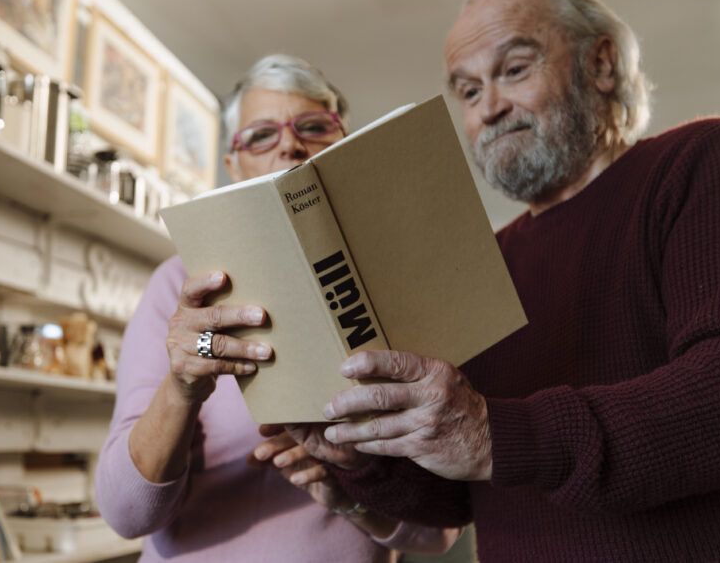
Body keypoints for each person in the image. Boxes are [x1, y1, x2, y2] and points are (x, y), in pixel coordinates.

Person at [266, 0, 720, 562]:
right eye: (468, 92)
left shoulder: (710, 160)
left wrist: (497, 434)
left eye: (515, 70)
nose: (490, 108)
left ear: (601, 64)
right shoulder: (484, 260)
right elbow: (461, 500)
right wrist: (359, 457)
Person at [94, 54, 459, 562]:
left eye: (314, 127)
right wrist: (181, 385)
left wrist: (352, 494)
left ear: (344, 146)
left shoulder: (400, 284)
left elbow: (441, 532)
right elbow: (125, 515)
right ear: (231, 165)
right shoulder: (180, 284)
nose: (290, 144)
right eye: (261, 135)